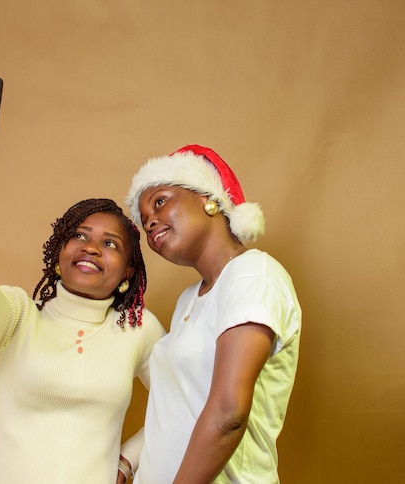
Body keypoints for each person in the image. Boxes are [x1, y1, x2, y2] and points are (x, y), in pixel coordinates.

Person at [0, 120, 165, 484]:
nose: (91, 247)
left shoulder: (139, 330)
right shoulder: (17, 317)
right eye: (79, 235)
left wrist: (129, 461)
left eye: (110, 244)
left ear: (127, 273)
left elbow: (181, 403)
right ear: (59, 253)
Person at [124, 145, 302, 483]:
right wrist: (129, 462)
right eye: (144, 220)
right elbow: (178, 408)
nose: (150, 222)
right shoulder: (189, 300)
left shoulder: (252, 273)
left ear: (211, 199)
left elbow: (227, 414)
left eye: (160, 201)